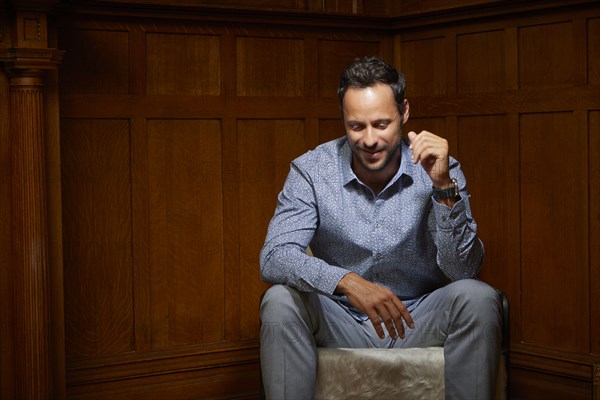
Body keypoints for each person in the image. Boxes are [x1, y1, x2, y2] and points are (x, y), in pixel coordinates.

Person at [259, 56, 501, 399]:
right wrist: (346, 281)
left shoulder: (441, 168)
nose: (369, 140)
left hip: (418, 317)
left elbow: (463, 270)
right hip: (340, 319)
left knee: (478, 297)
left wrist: (443, 188)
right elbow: (274, 257)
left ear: (403, 113)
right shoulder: (311, 171)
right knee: (279, 300)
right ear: (343, 119)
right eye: (357, 126)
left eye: (382, 124)